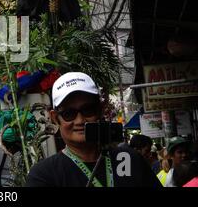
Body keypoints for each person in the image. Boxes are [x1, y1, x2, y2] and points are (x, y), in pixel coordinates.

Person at [26, 72, 161, 187]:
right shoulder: (44, 175)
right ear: (55, 118)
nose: (80, 121)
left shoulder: (130, 159)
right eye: (69, 114)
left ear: (100, 110)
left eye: (88, 110)